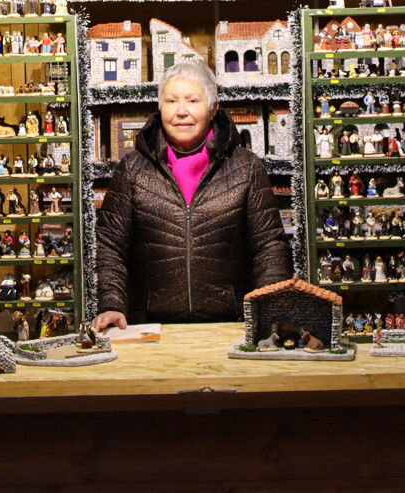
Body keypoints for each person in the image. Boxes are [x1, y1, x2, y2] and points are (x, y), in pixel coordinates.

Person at [93, 60, 292, 330]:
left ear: (213, 109)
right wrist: (113, 304)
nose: (181, 112)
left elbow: (268, 245)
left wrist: (271, 306)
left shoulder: (246, 166)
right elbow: (111, 246)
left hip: (230, 325)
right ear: (160, 107)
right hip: (150, 327)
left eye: (193, 101)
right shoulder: (132, 170)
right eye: (172, 101)